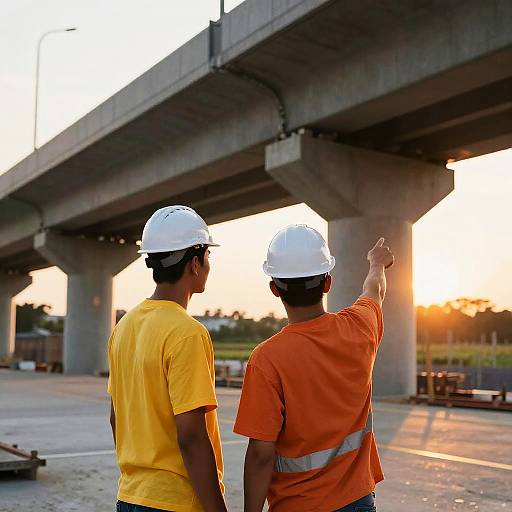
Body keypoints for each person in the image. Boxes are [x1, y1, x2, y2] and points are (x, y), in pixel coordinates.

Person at [233, 224, 394, 512]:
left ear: (274, 288)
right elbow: (375, 288)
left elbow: (260, 453)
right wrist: (377, 262)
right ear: (327, 283)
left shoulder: (267, 359)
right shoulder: (359, 327)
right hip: (357, 501)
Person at [108, 205, 227, 512]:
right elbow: (191, 437)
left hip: (130, 496)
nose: (209, 264)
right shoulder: (187, 332)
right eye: (208, 256)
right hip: (175, 502)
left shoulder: (124, 326)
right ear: (194, 263)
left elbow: (115, 417)